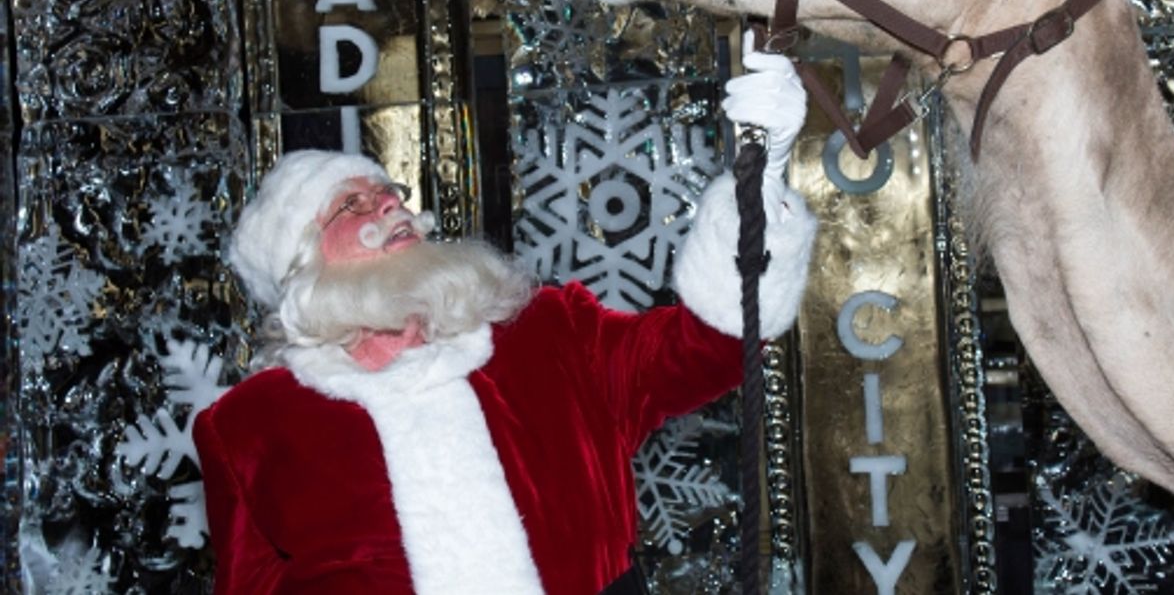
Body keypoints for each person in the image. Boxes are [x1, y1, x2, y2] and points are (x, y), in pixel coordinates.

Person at [193, 39, 815, 595]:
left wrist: (759, 181)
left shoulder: (547, 332)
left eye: (389, 194)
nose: (388, 207)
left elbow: (704, 346)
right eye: (351, 206)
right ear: (302, 263)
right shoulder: (249, 426)